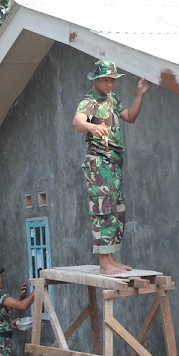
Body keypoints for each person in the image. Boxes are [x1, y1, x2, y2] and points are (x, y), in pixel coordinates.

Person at [72, 59, 150, 275]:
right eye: (106, 80)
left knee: (116, 212)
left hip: (114, 163)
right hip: (99, 162)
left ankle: (111, 259)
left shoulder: (112, 98)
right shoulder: (90, 101)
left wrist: (139, 93)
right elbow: (77, 122)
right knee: (103, 211)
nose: (110, 84)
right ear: (96, 80)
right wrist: (91, 126)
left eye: (112, 80)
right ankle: (104, 264)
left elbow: (130, 117)